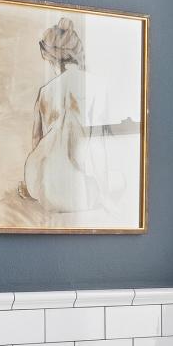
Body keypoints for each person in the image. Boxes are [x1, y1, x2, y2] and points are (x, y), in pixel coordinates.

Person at [20, 16, 104, 213]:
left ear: (51, 58)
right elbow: (99, 143)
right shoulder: (97, 87)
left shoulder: (46, 91)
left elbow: (36, 140)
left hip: (44, 188)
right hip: (80, 191)